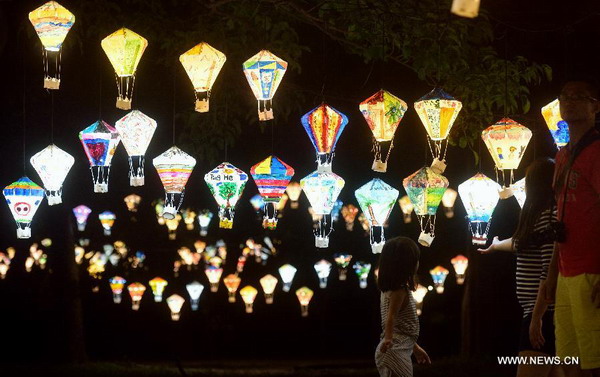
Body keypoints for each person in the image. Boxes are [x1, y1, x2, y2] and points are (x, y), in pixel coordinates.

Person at [479, 158, 562, 377]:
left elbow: (547, 270)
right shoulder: (540, 217)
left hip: (544, 314)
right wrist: (496, 245)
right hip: (537, 312)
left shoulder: (548, 216)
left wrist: (536, 319)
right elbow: (521, 243)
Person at [542, 79, 600, 377]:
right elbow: (560, 219)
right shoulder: (563, 155)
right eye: (565, 97)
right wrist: (552, 274)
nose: (570, 102)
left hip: (592, 267)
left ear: (595, 107)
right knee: (568, 362)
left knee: (593, 360)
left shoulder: (597, 150)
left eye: (580, 97)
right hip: (567, 270)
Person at [375, 236, 431, 377]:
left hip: (398, 347)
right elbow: (391, 317)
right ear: (407, 264)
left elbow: (400, 329)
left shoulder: (391, 290)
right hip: (394, 349)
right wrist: (388, 338)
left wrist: (415, 348)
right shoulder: (399, 290)